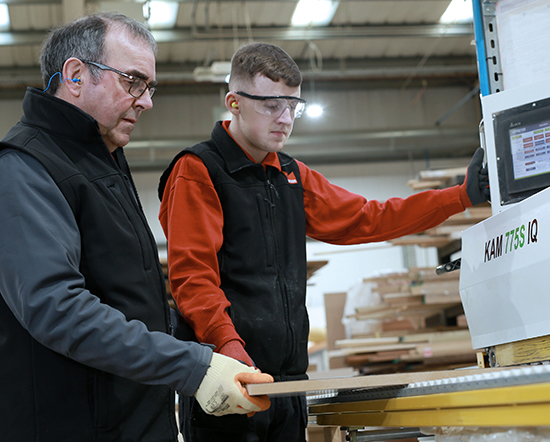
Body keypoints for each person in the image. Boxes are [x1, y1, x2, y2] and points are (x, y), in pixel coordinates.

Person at [157, 42, 490, 442]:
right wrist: (228, 346)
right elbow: (193, 276)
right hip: (230, 380)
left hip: (288, 385)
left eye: (292, 107)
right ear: (234, 102)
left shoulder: (290, 175)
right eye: (271, 105)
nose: (285, 119)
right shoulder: (198, 171)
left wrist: (460, 197)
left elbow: (370, 217)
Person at [0, 13, 272, 442]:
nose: (146, 101)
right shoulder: (25, 167)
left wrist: (217, 345)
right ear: (75, 75)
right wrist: (194, 367)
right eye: (133, 81)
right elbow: (58, 308)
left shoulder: (100, 158)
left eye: (150, 87)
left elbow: (126, 300)